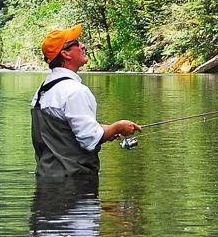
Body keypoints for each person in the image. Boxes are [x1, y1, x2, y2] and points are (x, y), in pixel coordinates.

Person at [31, 24, 141, 178]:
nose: (82, 46)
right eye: (76, 43)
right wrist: (117, 127)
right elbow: (89, 138)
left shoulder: (43, 90)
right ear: (65, 54)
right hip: (75, 182)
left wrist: (108, 129)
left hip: (46, 178)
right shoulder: (75, 91)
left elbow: (67, 129)